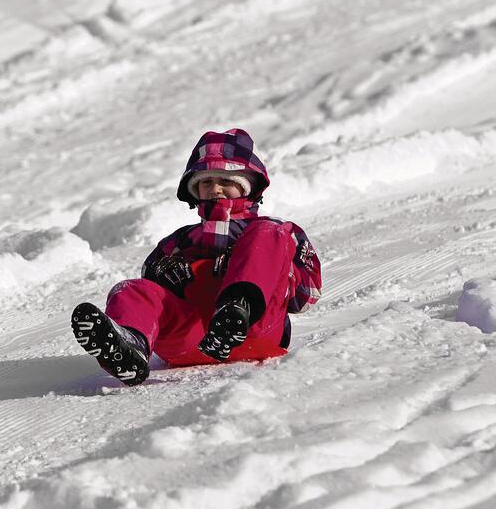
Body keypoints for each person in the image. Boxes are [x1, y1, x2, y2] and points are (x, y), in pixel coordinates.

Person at [72, 128, 321, 385]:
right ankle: (131, 344)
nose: (215, 189)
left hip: (256, 331)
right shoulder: (178, 242)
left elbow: (306, 295)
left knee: (265, 233)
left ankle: (236, 309)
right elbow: (150, 291)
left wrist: (273, 271)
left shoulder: (275, 232)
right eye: (206, 182)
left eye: (225, 181)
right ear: (195, 190)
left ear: (248, 186)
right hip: (195, 339)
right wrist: (164, 275)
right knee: (129, 290)